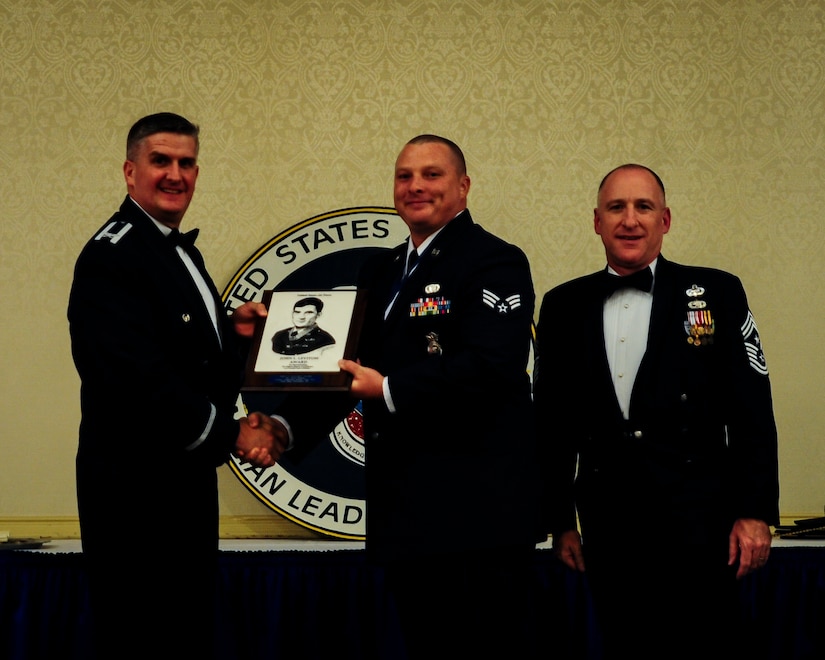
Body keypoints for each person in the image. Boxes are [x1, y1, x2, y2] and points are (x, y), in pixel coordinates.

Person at [533, 163, 780, 659]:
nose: (630, 220)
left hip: (702, 527)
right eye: (616, 207)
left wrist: (755, 512)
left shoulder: (716, 292)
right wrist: (560, 520)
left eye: (643, 207)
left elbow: (751, 407)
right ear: (596, 221)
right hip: (609, 528)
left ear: (665, 220)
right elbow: (551, 424)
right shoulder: (563, 305)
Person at [67, 112, 286, 659]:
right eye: (160, 161)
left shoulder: (173, 249)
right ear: (129, 171)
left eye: (186, 163)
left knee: (184, 635)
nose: (175, 174)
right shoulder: (111, 257)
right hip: (134, 498)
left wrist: (233, 337)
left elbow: (187, 361)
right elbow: (135, 380)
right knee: (144, 637)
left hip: (178, 487)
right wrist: (231, 434)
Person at [335, 134, 544, 658]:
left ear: (464, 187)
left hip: (480, 520)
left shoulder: (495, 261)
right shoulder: (379, 270)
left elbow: (492, 365)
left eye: (432, 175)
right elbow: (343, 368)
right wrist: (281, 425)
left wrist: (387, 388)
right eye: (405, 176)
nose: (415, 186)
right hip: (409, 515)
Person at [271, 296, 336, 355]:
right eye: (297, 312)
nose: (301, 317)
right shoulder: (279, 335)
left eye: (308, 312)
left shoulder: (326, 339)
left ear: (318, 315)